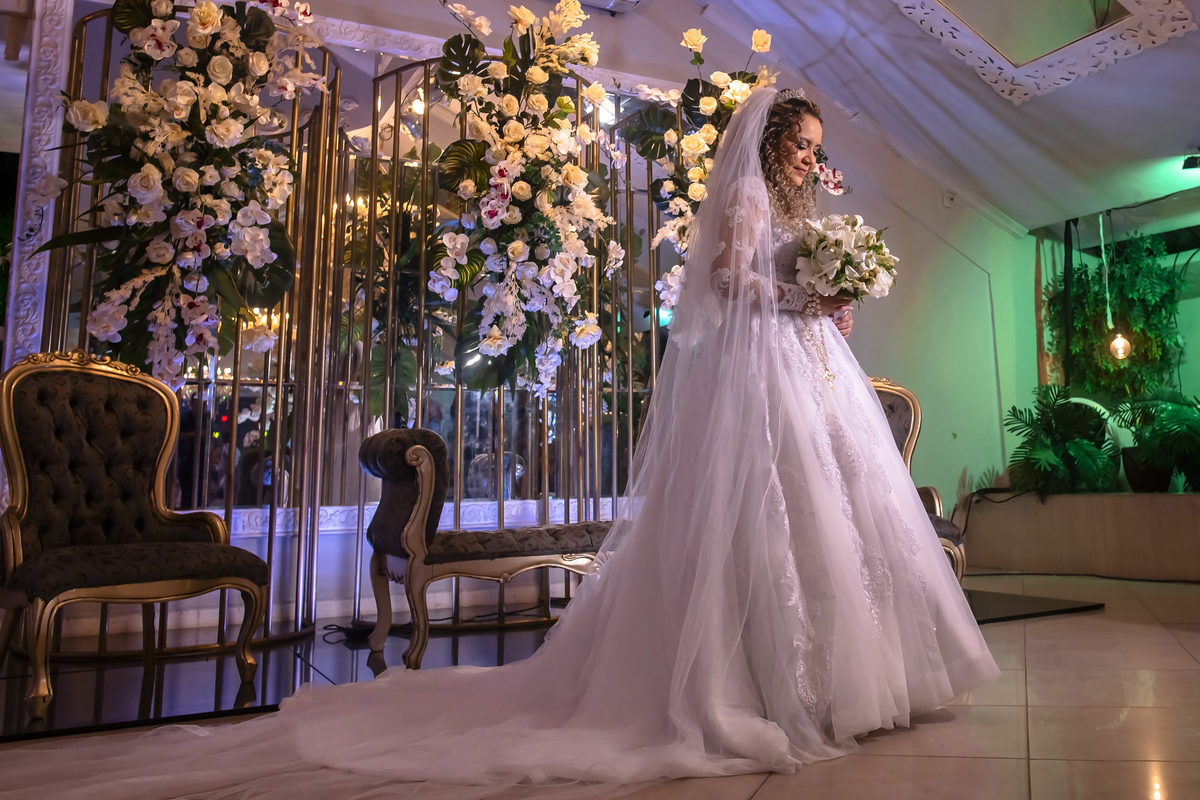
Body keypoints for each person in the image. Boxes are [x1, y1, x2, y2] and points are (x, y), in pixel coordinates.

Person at [0, 87, 998, 799]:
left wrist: (835, 301)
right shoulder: (742, 199)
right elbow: (734, 286)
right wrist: (799, 293)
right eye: (800, 142)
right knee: (774, 523)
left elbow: (795, 298)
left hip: (809, 373)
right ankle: (766, 684)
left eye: (814, 145)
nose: (805, 157)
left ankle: (853, 677)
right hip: (764, 381)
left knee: (836, 515)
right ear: (772, 141)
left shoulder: (804, 208)